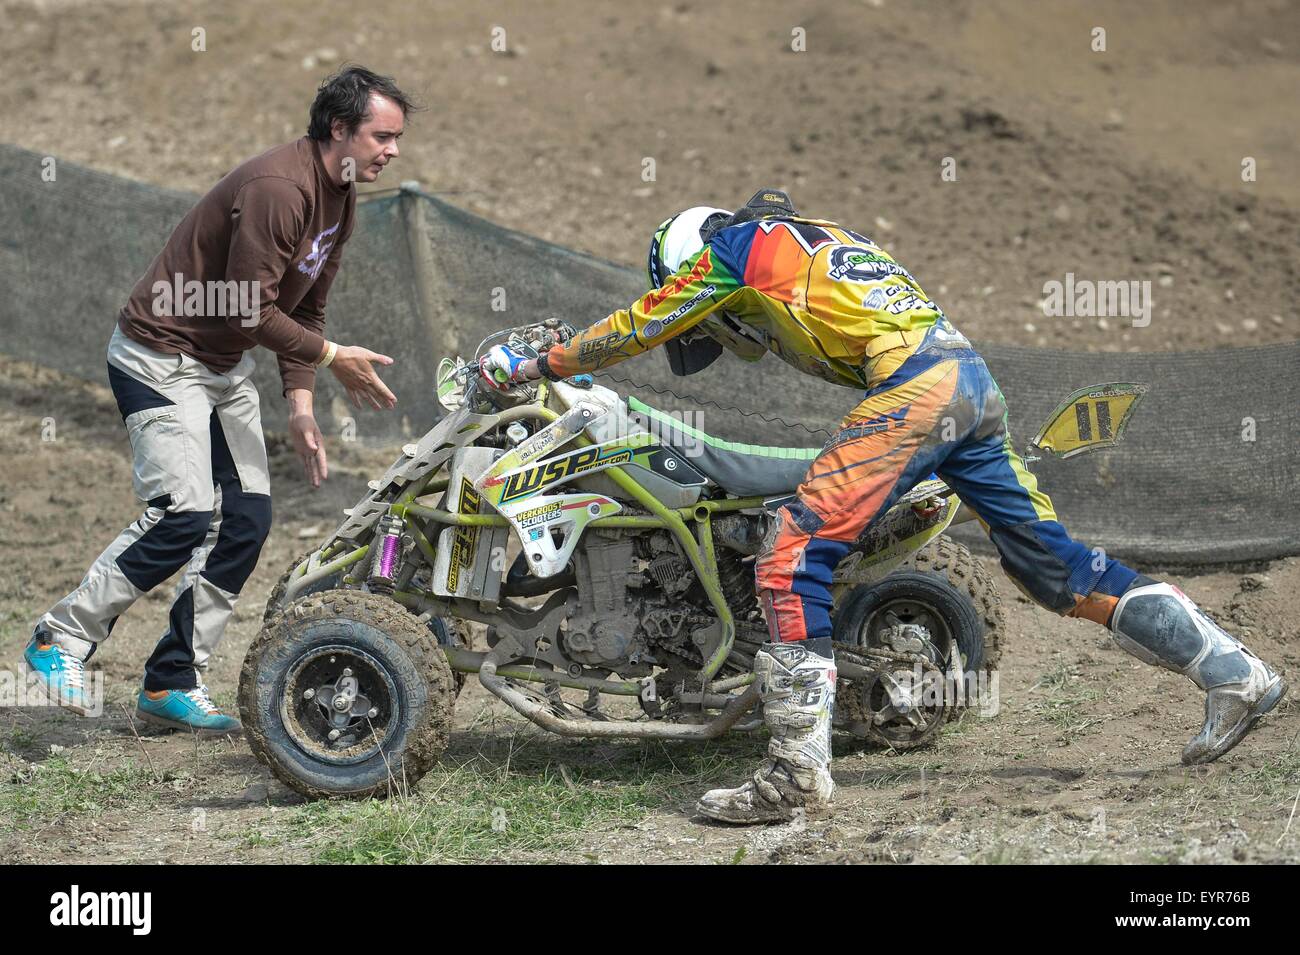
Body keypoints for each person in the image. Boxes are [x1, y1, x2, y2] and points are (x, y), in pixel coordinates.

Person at [480, 189, 1288, 824]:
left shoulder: (732, 248)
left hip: (914, 389)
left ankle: (796, 773)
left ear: (690, 262)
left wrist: (542, 359)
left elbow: (645, 322)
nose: (723, 337)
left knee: (792, 555)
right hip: (969, 383)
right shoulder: (813, 237)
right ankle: (1232, 670)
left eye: (713, 317)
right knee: (1059, 573)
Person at [26, 66, 411, 736]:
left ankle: (170, 679)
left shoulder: (340, 194)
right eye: (382, 135)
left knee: (248, 519)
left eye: (397, 137)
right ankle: (57, 638)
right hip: (159, 356)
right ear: (340, 129)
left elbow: (308, 305)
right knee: (183, 512)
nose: (394, 150)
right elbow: (245, 311)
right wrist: (329, 358)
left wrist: (299, 402)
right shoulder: (277, 188)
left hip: (218, 366)